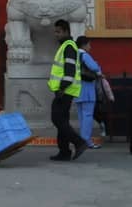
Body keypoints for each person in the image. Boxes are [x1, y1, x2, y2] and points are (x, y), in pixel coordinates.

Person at [47, 18, 88, 162]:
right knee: (62, 120)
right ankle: (64, 152)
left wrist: (62, 88)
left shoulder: (69, 46)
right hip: (64, 90)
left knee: (57, 119)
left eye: (58, 32)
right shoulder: (66, 46)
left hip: (65, 90)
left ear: (66, 31)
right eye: (55, 32)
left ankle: (79, 142)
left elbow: (69, 71)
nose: (56, 35)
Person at [75, 35, 104, 148]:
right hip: (87, 89)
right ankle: (86, 140)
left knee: (81, 117)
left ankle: (82, 140)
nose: (90, 47)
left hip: (77, 89)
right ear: (84, 45)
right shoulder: (84, 55)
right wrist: (98, 67)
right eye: (89, 44)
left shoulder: (74, 55)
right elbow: (94, 67)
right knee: (88, 115)